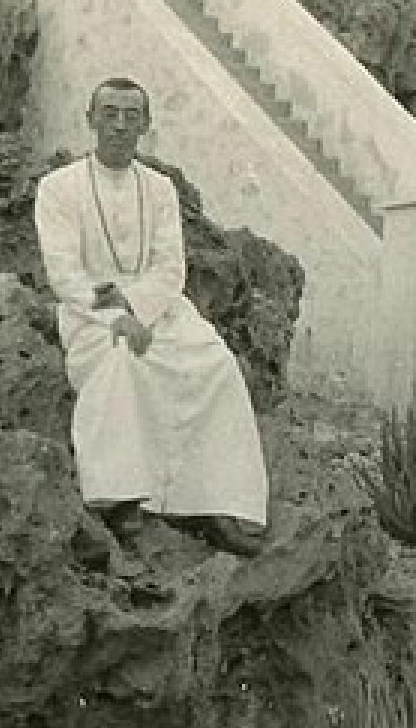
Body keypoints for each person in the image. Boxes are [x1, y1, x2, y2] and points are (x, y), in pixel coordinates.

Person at [34, 77, 269, 556]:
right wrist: (117, 318)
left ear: (145, 125)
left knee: (215, 363)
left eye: (130, 116)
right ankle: (122, 501)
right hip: (90, 314)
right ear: (91, 119)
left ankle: (212, 501)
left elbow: (170, 268)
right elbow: (65, 273)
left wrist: (140, 310)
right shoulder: (58, 188)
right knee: (121, 360)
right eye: (109, 113)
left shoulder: (159, 189)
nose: (119, 126)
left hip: (159, 309)